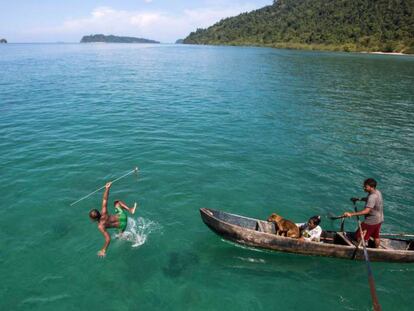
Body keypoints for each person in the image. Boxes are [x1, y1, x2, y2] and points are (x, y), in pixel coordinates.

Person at [89, 182, 137, 257]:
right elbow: (105, 199)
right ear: (99, 212)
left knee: (120, 235)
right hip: (123, 217)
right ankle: (130, 210)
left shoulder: (101, 226)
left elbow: (108, 239)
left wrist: (103, 250)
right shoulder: (104, 212)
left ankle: (133, 239)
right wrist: (107, 188)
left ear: (94, 219)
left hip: (122, 226)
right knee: (116, 202)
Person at [342, 178, 383, 248]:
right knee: (376, 236)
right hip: (379, 219)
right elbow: (368, 199)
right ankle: (377, 249)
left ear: (372, 187)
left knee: (358, 236)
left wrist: (351, 214)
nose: (364, 188)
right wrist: (358, 199)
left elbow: (366, 211)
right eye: (364, 186)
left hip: (371, 221)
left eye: (366, 187)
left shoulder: (372, 197)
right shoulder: (377, 192)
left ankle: (361, 247)